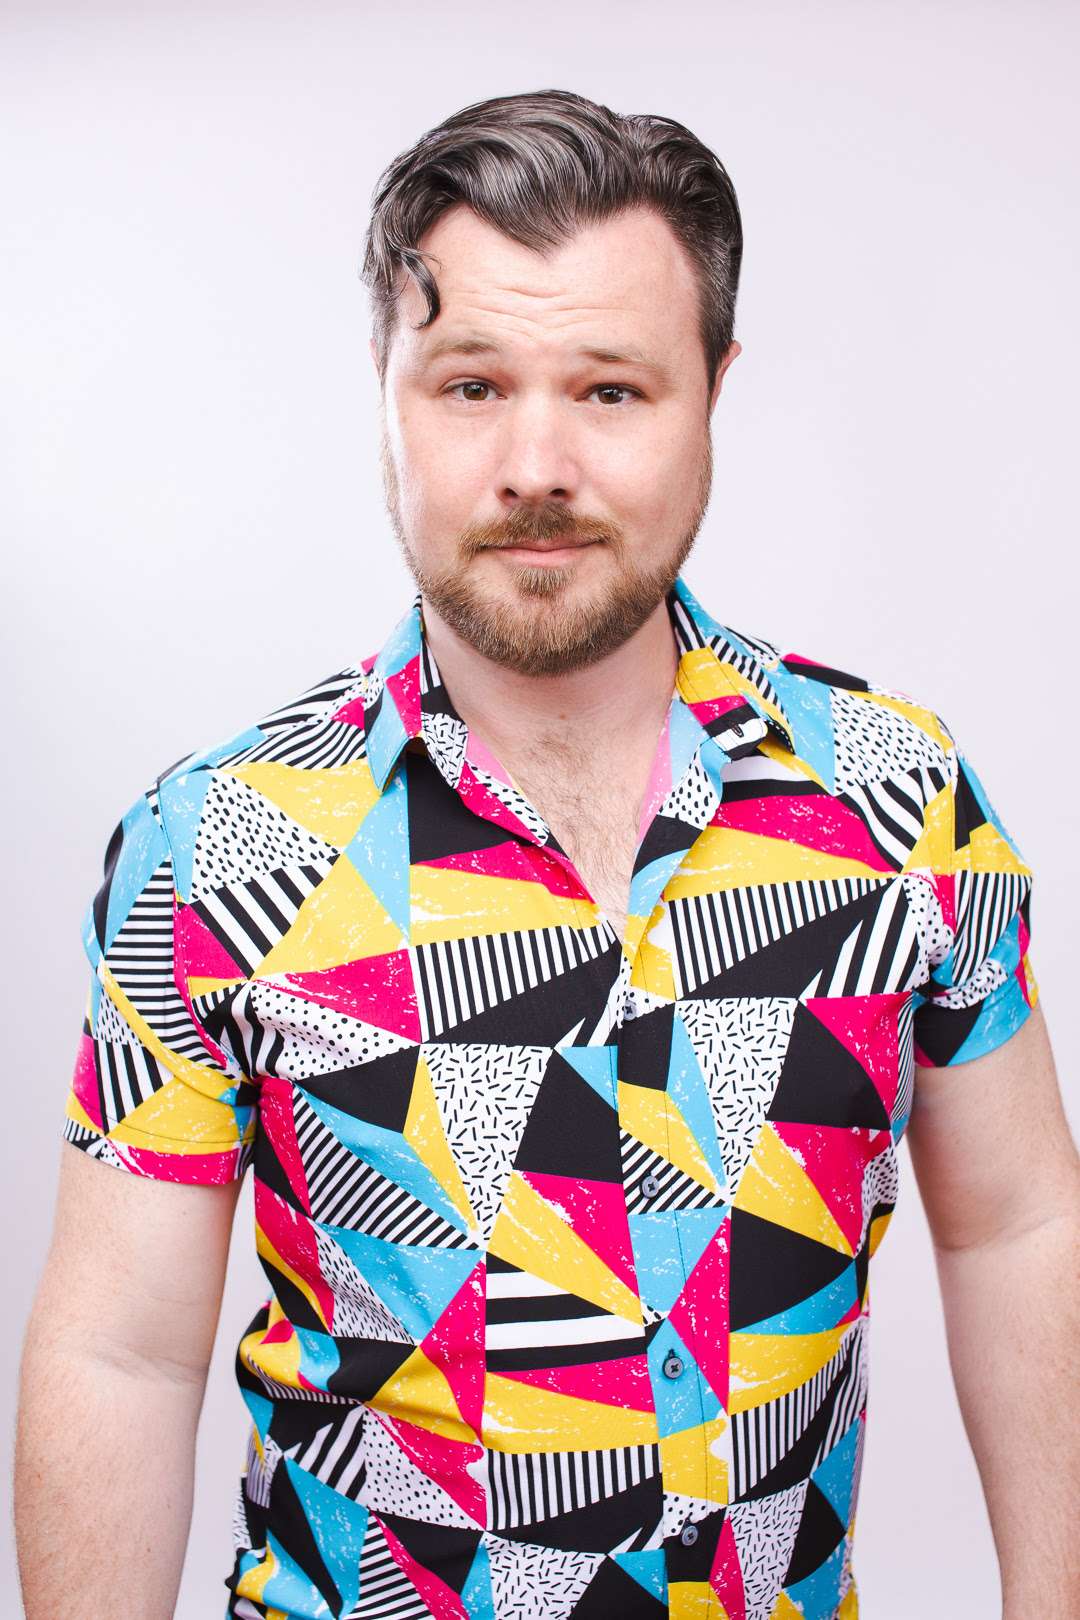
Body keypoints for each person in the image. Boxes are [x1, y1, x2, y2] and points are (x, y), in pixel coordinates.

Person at [15, 87, 1079, 1620]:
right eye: (471, 385)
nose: (535, 463)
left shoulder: (900, 801)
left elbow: (1023, 1225)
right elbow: (120, 1353)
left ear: (713, 390)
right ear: (385, 390)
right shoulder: (217, 847)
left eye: (610, 390)